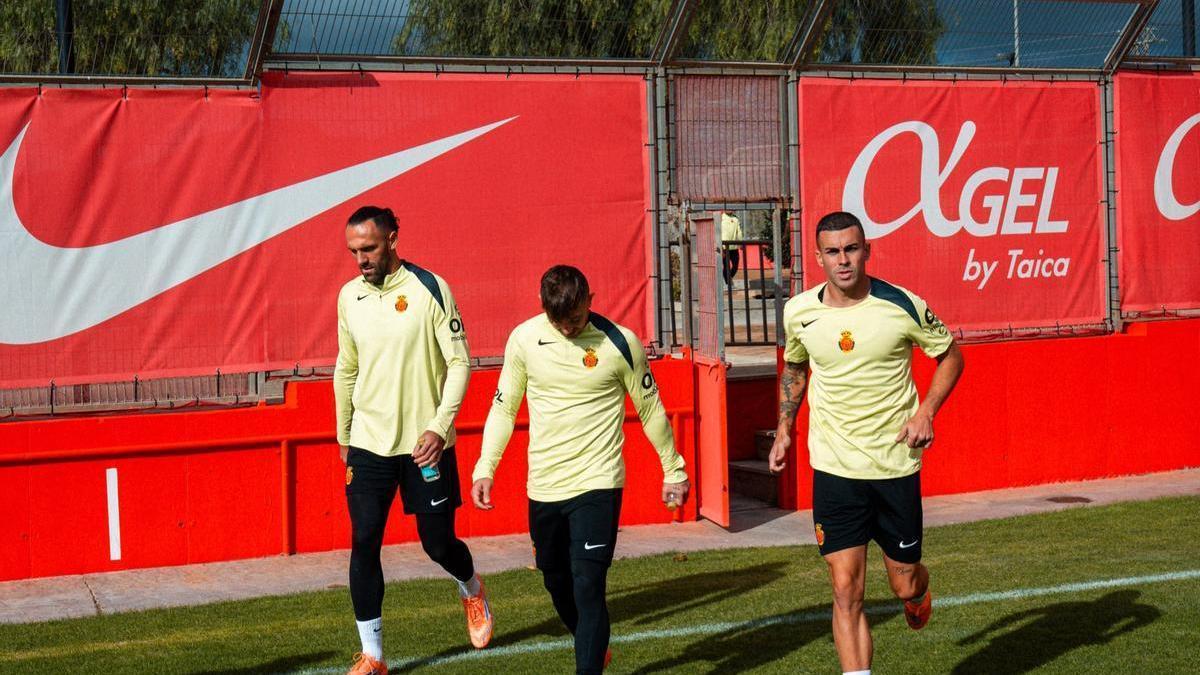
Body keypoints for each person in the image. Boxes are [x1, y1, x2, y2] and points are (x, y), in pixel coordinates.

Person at [768, 211, 964, 675]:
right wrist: (783, 428)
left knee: (902, 584)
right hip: (834, 469)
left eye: (851, 249)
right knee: (845, 589)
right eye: (833, 251)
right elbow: (795, 367)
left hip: (895, 467)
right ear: (818, 257)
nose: (843, 260)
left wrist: (926, 411)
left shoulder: (901, 305)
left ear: (867, 250)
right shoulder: (798, 311)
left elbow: (951, 355)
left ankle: (918, 593)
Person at [470, 265, 690, 675]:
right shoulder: (524, 339)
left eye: (573, 319)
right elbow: (504, 407)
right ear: (544, 310)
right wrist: (486, 467)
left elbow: (650, 409)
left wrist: (673, 469)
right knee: (555, 581)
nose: (567, 330)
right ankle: (594, 643)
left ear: (590, 300)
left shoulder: (620, 343)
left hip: (598, 483)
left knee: (589, 585)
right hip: (544, 486)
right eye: (558, 322)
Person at [334, 206, 493, 675]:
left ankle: (472, 588)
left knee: (437, 543)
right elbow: (346, 367)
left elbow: (461, 363)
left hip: (426, 445)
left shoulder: (430, 289)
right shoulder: (349, 297)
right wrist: (343, 434)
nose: (361, 259)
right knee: (364, 540)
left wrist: (439, 428)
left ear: (393, 239)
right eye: (354, 252)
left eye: (369, 248)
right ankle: (374, 657)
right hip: (367, 442)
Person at [720, 210, 743, 285]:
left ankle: (727, 279)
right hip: (724, 247)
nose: (729, 209)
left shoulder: (736, 219)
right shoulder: (721, 218)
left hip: (734, 247)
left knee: (735, 266)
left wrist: (741, 242)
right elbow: (717, 232)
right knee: (726, 266)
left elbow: (738, 232)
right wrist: (720, 246)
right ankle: (728, 283)